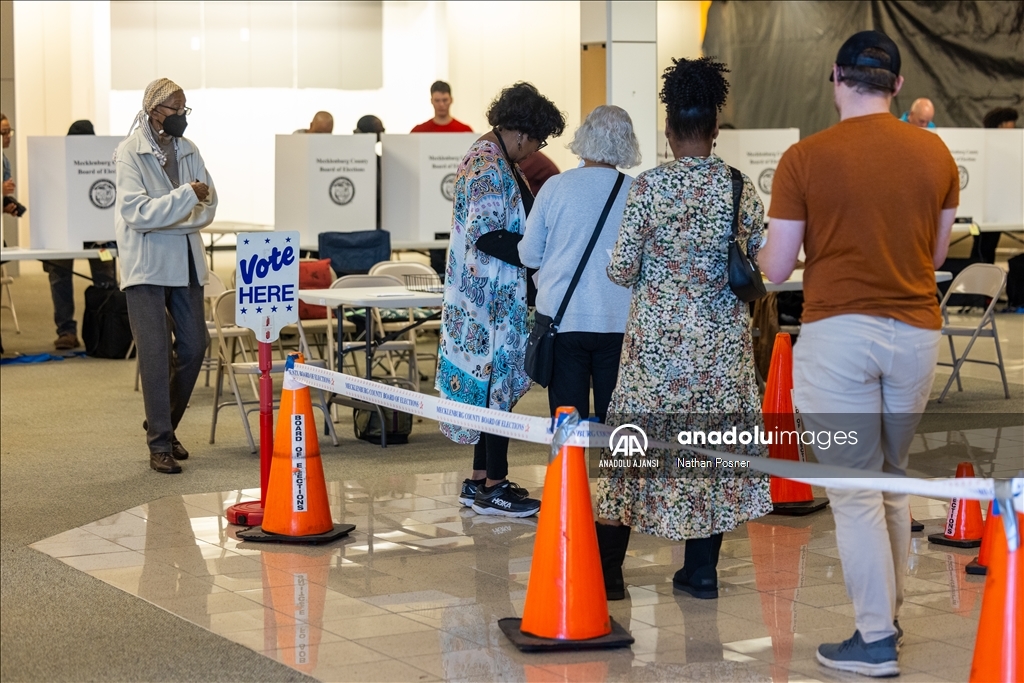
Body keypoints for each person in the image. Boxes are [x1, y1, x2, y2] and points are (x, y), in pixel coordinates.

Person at [759, 30, 958, 677]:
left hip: (839, 334)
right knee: (890, 481)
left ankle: (874, 637)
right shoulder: (936, 155)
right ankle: (887, 619)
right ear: (898, 86)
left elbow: (778, 265)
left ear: (837, 78)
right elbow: (934, 258)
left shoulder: (804, 158)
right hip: (917, 332)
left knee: (852, 489)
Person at [594, 58, 772, 602]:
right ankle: (701, 572)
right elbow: (762, 259)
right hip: (720, 351)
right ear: (716, 131)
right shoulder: (740, 188)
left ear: (668, 132)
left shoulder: (647, 189)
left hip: (656, 353)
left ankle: (610, 576)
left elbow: (621, 269)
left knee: (633, 452)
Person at [437, 82, 565, 517]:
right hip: (488, 302)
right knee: (496, 391)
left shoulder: (488, 156)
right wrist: (538, 256)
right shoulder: (490, 165)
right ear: (520, 131)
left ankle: (479, 482)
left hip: (486, 299)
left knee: (493, 390)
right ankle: (495, 485)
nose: (533, 152)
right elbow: (489, 234)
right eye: (536, 141)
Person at [114, 78, 218, 474]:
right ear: (155, 109)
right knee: (156, 353)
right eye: (177, 110)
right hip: (146, 265)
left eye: (185, 109)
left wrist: (175, 213)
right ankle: (160, 442)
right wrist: (186, 202)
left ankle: (163, 422)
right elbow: (136, 214)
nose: (182, 118)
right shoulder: (130, 153)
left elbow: (209, 207)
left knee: (195, 347)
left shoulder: (189, 150)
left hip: (187, 262)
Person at [519, 105, 638, 423]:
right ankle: (618, 474)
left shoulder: (555, 187)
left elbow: (529, 255)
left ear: (584, 138)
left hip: (563, 321)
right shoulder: (637, 191)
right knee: (619, 423)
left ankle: (567, 474)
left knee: (567, 422)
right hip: (620, 322)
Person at [41, 120, 118, 350]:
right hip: (63, 234)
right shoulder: (55, 164)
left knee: (105, 280)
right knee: (60, 277)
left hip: (100, 236)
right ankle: (67, 331)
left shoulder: (106, 161)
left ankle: (106, 328)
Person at [2, 113, 21, 215]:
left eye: (9, 132)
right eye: (4, 133)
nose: (8, 136)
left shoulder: (5, 161)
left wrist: (4, 208)